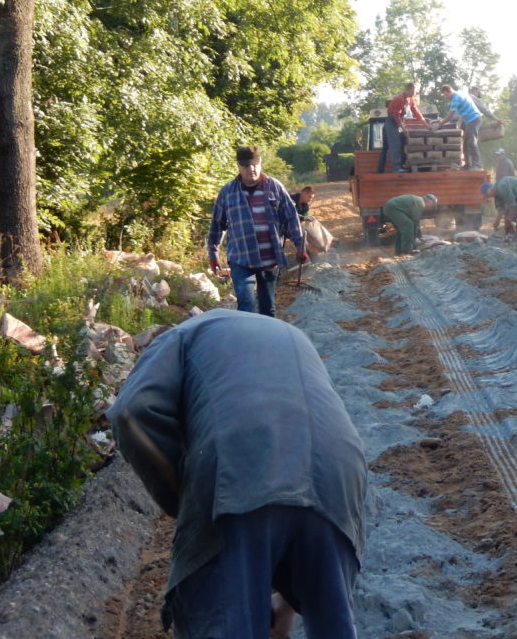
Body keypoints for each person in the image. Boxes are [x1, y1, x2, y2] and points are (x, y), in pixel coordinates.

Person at [108, 310, 367, 639]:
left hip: (237, 468)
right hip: (340, 469)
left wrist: (181, 497)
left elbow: (129, 412)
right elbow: (300, 496)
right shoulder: (291, 335)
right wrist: (287, 602)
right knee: (334, 625)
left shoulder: (180, 336)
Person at [208, 146, 306, 317]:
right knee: (246, 305)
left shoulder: (274, 187)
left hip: (269, 259)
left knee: (268, 308)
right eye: (246, 166)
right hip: (241, 258)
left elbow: (290, 218)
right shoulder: (227, 192)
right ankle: (248, 343)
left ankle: (268, 342)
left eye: (254, 164)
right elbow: (218, 224)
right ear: (239, 166)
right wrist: (213, 254)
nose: (251, 169)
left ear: (260, 163)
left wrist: (300, 246)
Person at [438, 84, 499, 171]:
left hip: (474, 119)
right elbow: (465, 109)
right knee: (465, 144)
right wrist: (459, 123)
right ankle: (468, 165)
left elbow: (450, 116)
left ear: (449, 91)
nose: (445, 97)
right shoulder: (460, 93)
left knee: (471, 142)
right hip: (470, 120)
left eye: (445, 95)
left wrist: (439, 124)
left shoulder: (455, 98)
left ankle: (477, 165)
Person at [377, 82, 424, 173]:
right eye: (412, 92)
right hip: (391, 122)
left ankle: (380, 171)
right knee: (395, 144)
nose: (413, 94)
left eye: (415, 92)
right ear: (407, 89)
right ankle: (396, 168)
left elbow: (415, 111)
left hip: (394, 122)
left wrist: (424, 122)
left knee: (387, 147)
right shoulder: (399, 99)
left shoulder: (410, 99)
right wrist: (404, 129)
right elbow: (396, 116)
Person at [482, 177, 517, 245]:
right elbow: (500, 211)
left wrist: (509, 218)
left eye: (487, 195)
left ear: (489, 189)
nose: (488, 197)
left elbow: (513, 206)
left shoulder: (502, 187)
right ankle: (512, 236)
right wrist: (496, 224)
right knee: (509, 214)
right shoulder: (497, 193)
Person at [491, 148, 516, 230]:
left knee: (502, 208)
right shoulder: (507, 162)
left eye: (499, 155)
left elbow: (504, 177)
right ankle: (505, 227)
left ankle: (498, 226)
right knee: (505, 208)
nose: (498, 156)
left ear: (503, 155)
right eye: (497, 155)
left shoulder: (504, 163)